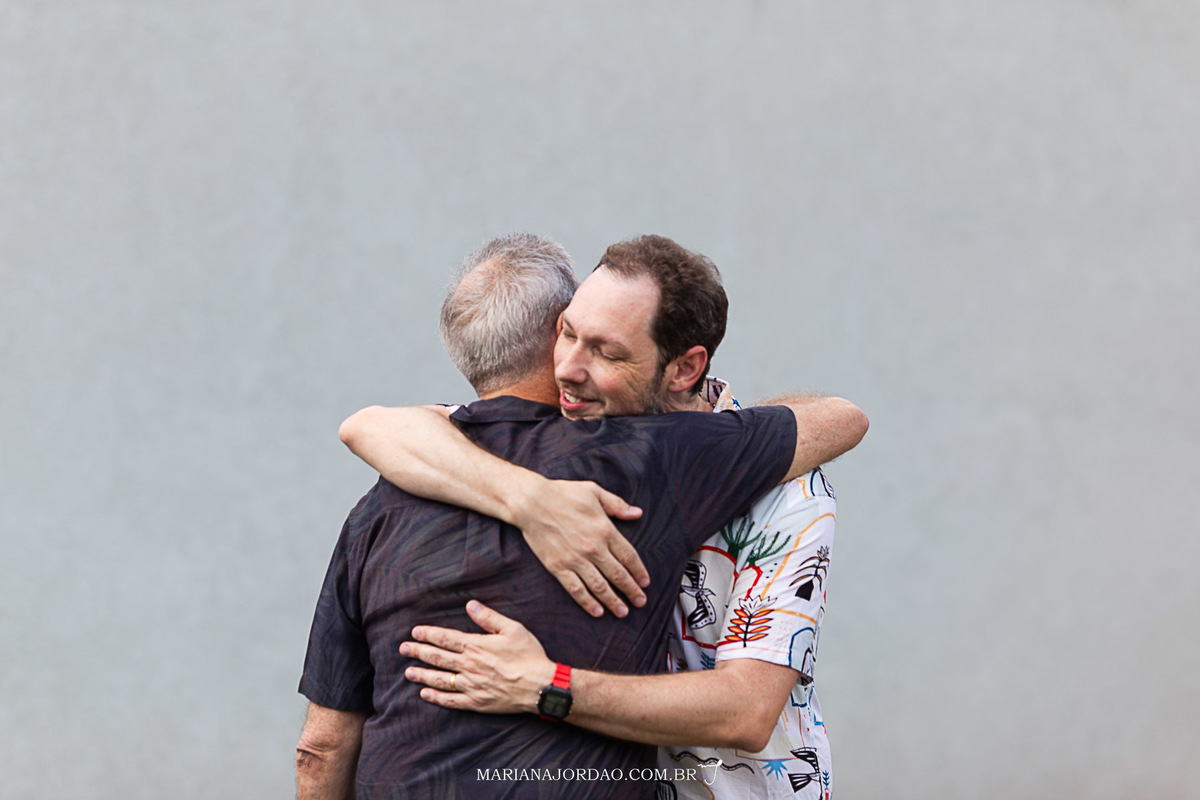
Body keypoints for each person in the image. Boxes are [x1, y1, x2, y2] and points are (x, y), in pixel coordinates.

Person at [296, 233, 867, 800]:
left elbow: (746, 710)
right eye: (566, 334)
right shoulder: (460, 455)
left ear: (684, 368)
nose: (568, 369)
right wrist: (530, 499)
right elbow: (370, 425)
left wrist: (546, 685)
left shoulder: (770, 485)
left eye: (607, 352)